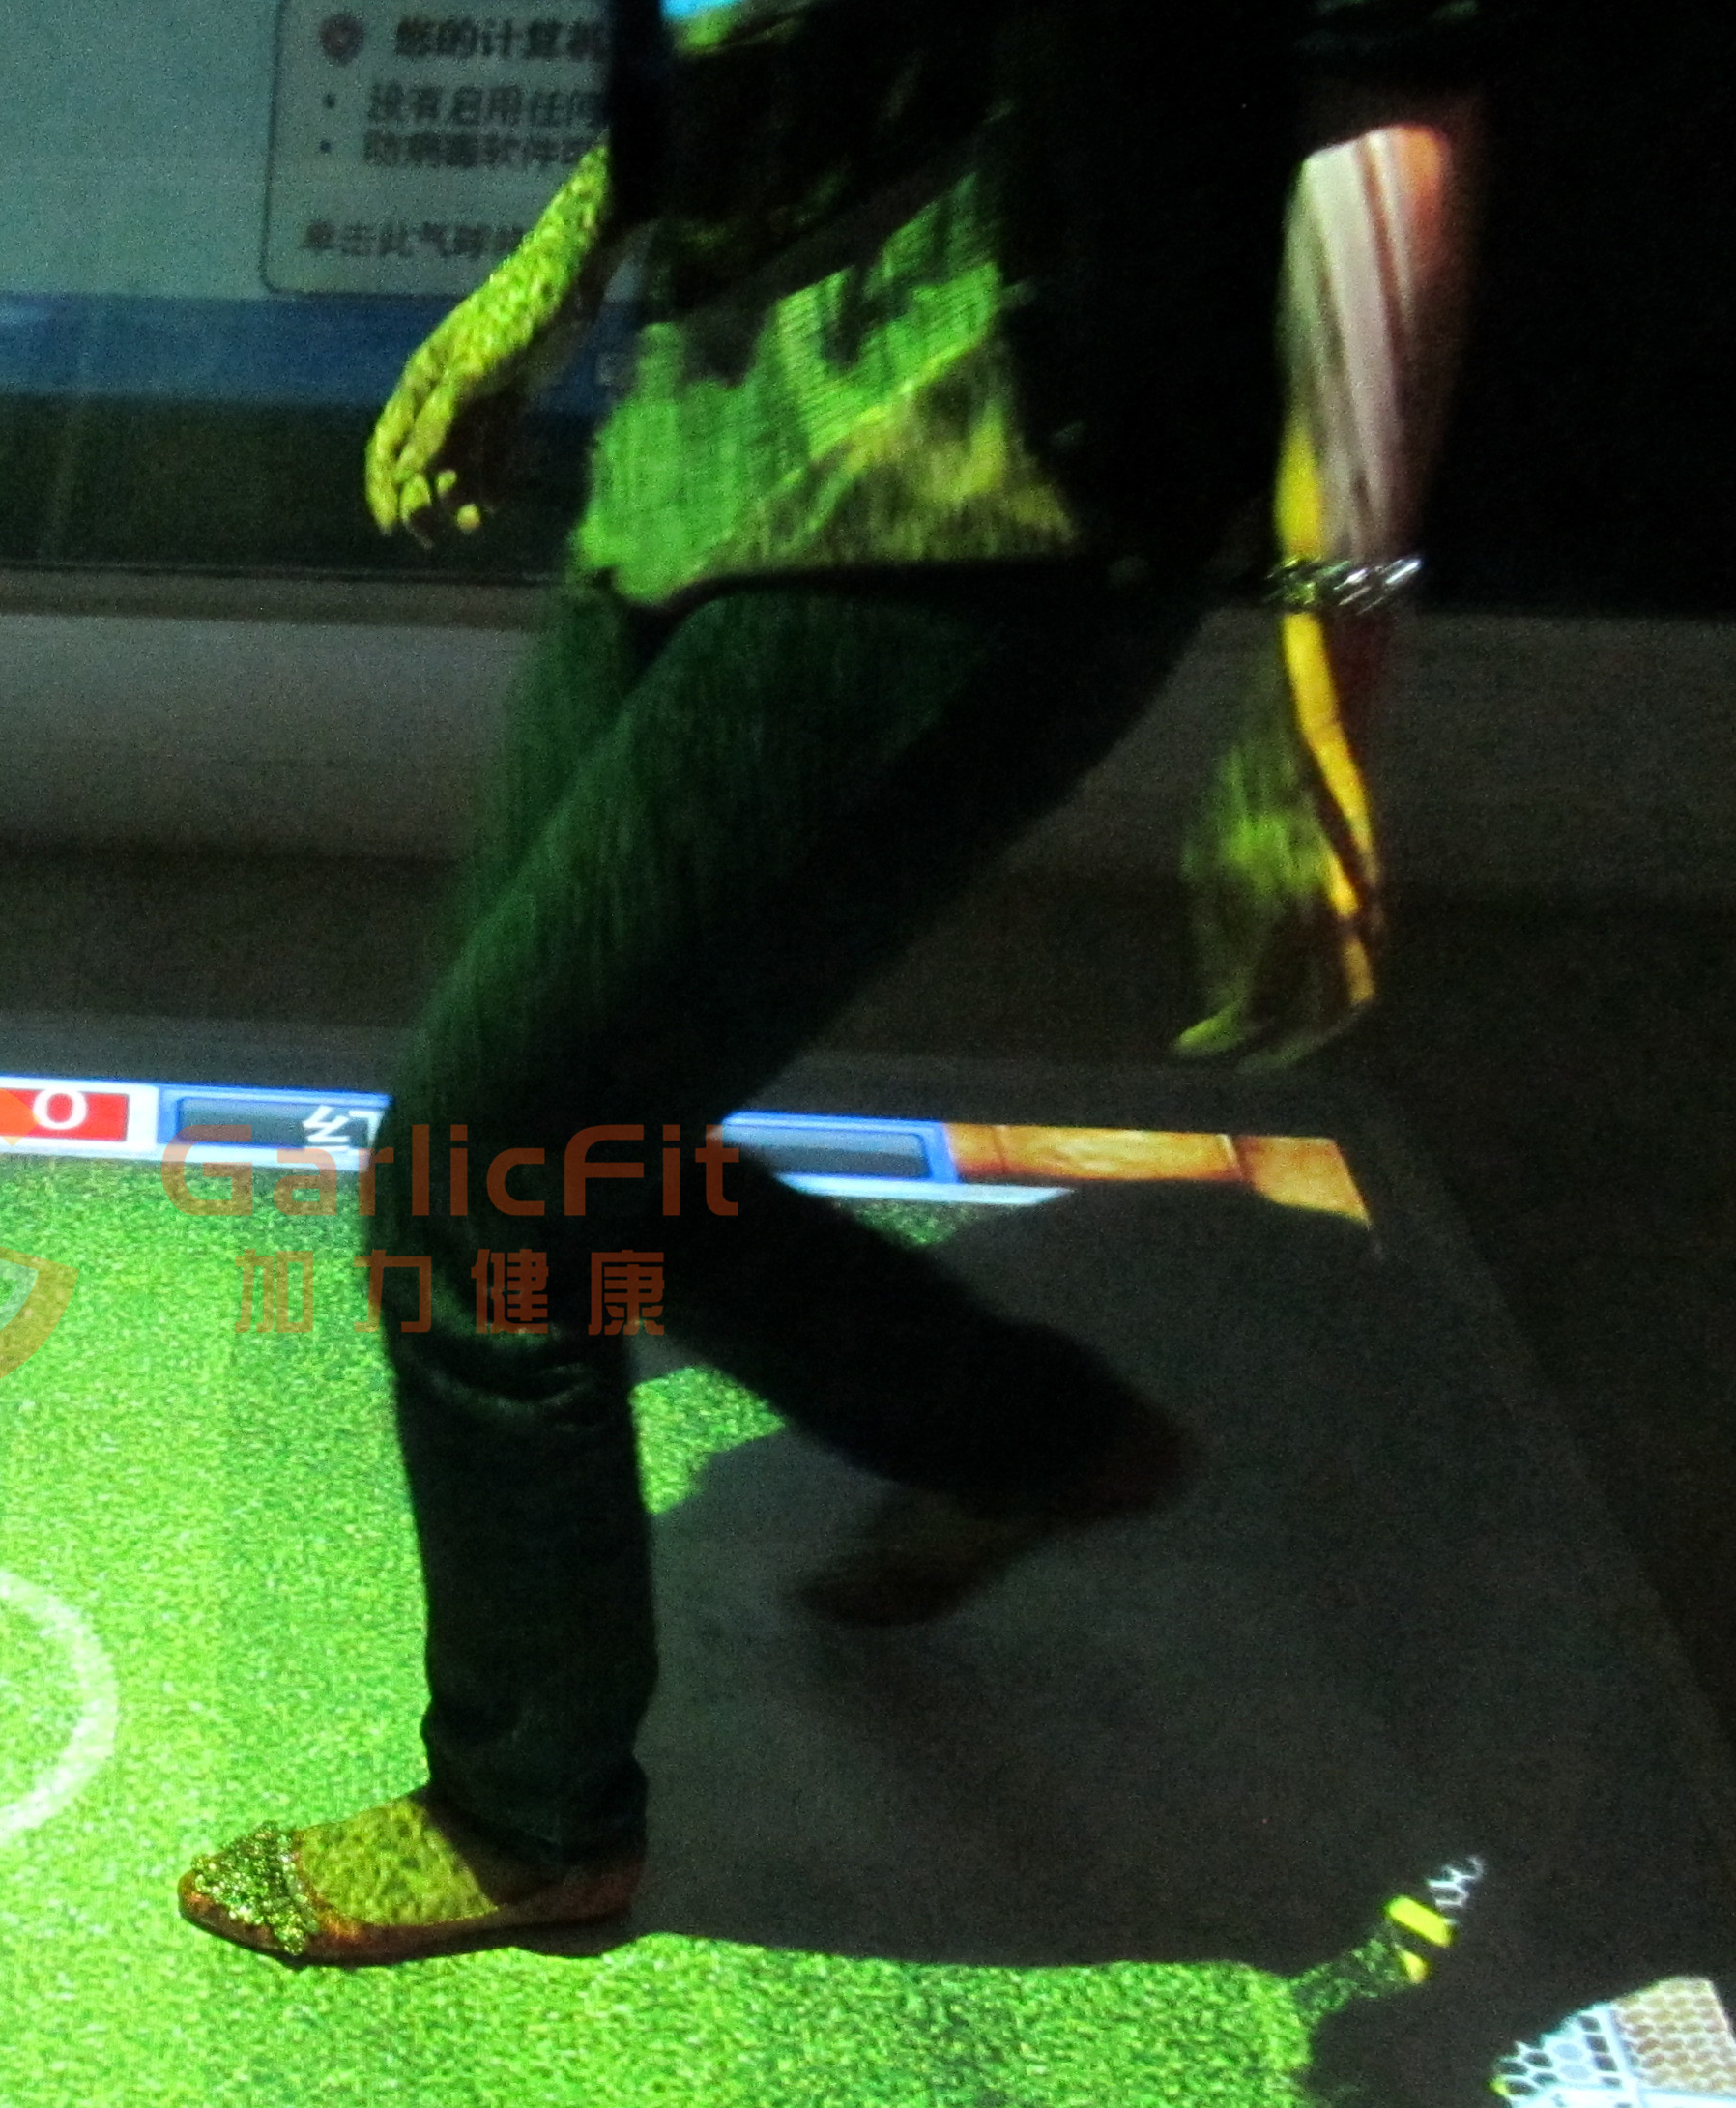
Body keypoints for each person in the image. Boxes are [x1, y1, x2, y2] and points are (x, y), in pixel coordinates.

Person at [180, 0, 1492, 1969]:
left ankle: (531, 1820)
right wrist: (545, 289)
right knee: (567, 1153)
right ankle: (1014, 1432)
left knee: (487, 1173)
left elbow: (1380, 95)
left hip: (989, 472)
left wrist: (1326, 674)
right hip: (704, 438)